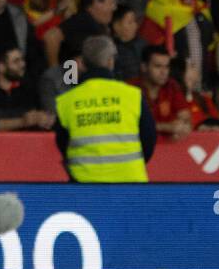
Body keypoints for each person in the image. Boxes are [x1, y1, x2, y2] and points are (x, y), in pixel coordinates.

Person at [54, 35, 155, 182]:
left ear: (82, 63)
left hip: (85, 184)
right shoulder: (132, 95)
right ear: (110, 61)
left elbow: (63, 143)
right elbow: (149, 139)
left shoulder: (67, 101)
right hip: (130, 182)